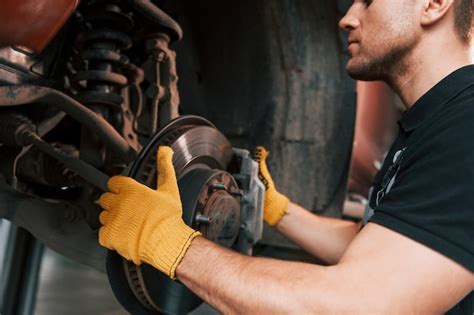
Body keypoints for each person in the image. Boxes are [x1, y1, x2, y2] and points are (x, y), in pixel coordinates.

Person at [98, 0, 474, 313]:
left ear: (434, 4)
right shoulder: (435, 121)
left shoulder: (466, 125)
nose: (348, 17)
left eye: (368, 0)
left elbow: (356, 304)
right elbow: (383, 248)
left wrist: (172, 246)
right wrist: (280, 210)